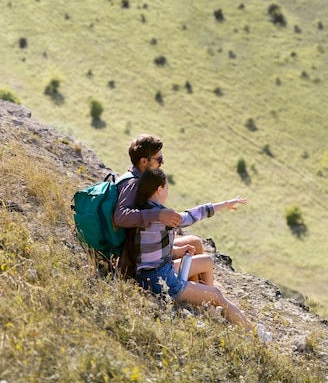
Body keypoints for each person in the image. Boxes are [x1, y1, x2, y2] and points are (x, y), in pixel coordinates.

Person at [130, 167, 272, 341]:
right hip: (162, 280)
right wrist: (224, 204)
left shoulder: (142, 213)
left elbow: (151, 251)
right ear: (159, 189)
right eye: (166, 188)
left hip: (151, 273)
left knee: (205, 261)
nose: (167, 191)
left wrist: (178, 251)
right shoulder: (164, 217)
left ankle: (209, 310)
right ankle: (254, 334)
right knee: (216, 294)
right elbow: (194, 215)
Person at [114, 134, 205, 279]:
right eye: (159, 159)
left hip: (144, 245)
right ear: (144, 161)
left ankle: (197, 292)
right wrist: (157, 215)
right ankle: (195, 293)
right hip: (139, 255)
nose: (162, 164)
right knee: (194, 248)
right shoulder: (133, 184)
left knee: (194, 244)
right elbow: (120, 217)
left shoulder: (138, 179)